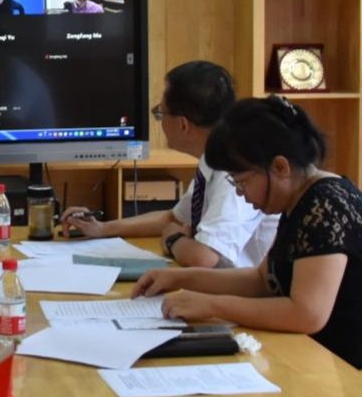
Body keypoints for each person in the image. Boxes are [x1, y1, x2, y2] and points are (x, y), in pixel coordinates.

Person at [131, 96, 362, 370]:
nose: (240, 193)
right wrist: (179, 278)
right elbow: (262, 281)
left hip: (360, 374)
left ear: (280, 167)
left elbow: (307, 314)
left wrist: (212, 305)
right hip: (320, 360)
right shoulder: (300, 197)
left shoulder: (325, 206)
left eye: (242, 181)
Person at [60, 61, 276, 269]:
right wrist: (102, 228)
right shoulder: (213, 158)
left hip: (241, 289)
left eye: (160, 113)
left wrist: (173, 239)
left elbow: (204, 257)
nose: (160, 121)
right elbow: (173, 218)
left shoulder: (234, 173)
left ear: (183, 125)